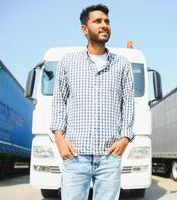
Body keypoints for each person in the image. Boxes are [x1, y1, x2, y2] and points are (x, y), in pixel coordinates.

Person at [50, 4, 135, 200]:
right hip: (75, 154)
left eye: (107, 21)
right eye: (98, 21)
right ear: (84, 29)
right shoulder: (68, 62)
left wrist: (125, 138)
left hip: (109, 157)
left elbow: (128, 104)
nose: (104, 25)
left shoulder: (122, 64)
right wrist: (59, 140)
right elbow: (59, 102)